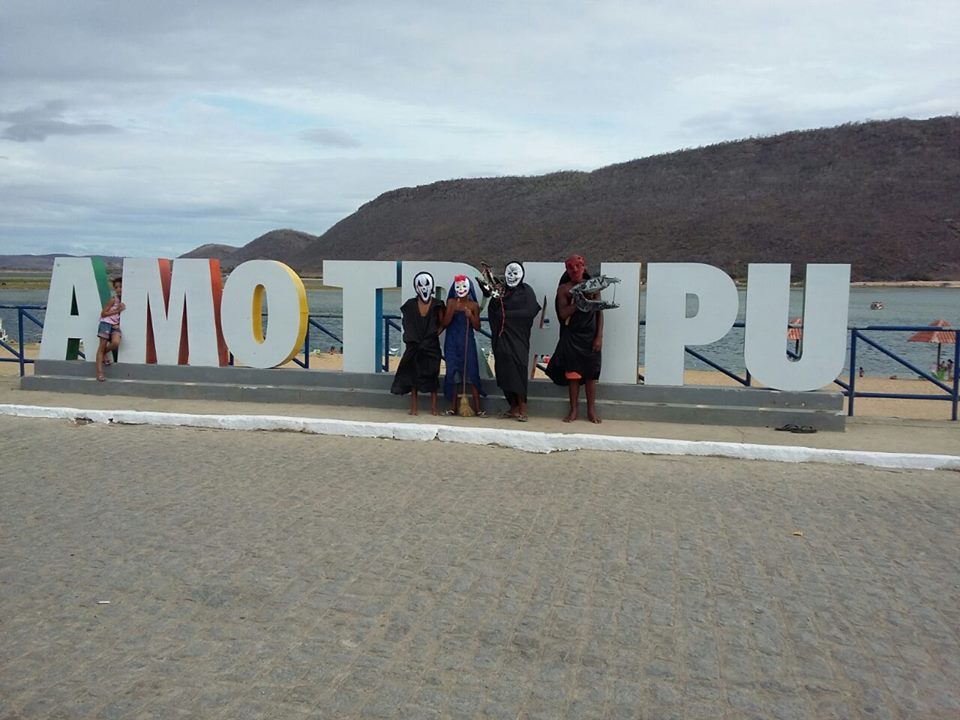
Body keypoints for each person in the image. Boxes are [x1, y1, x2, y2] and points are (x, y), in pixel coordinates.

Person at [545, 255, 603, 423]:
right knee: (573, 375)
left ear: (584, 267)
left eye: (578, 266)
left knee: (591, 374)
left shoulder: (593, 287)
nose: (575, 270)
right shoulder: (564, 289)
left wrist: (599, 336)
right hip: (572, 335)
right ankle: (574, 410)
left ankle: (591, 410)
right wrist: (579, 302)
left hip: (590, 335)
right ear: (567, 270)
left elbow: (599, 313)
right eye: (571, 267)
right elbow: (563, 313)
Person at [487, 261, 541, 421]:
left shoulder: (526, 291)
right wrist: (495, 298)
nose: (511, 277)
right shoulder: (502, 291)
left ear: (522, 274)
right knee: (503, 370)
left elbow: (531, 311)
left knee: (518, 369)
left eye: (515, 273)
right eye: (509, 273)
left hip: (518, 337)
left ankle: (523, 407)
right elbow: (493, 311)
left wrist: (508, 315)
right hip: (501, 337)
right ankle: (513, 406)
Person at [391, 272, 445, 415]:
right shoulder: (410, 305)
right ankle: (414, 407)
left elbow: (443, 323)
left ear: (431, 286)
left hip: (431, 346)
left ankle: (434, 408)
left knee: (432, 374)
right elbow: (407, 323)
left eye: (427, 284)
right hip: (414, 345)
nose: (424, 288)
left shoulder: (438, 304)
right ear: (416, 287)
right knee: (413, 375)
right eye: (420, 285)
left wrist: (434, 335)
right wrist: (414, 338)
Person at [441, 274, 486, 416]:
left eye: (463, 286)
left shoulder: (474, 305)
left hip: (468, 343)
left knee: (472, 373)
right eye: (458, 286)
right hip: (452, 342)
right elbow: (445, 323)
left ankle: (478, 408)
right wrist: (452, 311)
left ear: (469, 288)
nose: (461, 289)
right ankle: (453, 407)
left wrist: (471, 316)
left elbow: (477, 327)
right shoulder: (451, 302)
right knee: (453, 373)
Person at [95, 276, 124, 382]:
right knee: (101, 347)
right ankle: (100, 373)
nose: (119, 289)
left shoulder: (125, 300)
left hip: (115, 326)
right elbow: (103, 313)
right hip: (106, 324)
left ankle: (104, 353)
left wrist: (118, 323)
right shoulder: (113, 299)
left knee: (115, 343)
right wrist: (117, 311)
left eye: (121, 286)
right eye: (116, 287)